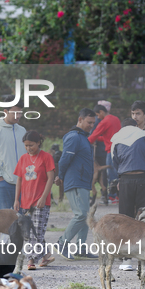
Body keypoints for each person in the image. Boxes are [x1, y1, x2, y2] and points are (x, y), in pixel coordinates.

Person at [111, 118, 145, 271]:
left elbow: (115, 161)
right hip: (143, 178)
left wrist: (124, 172)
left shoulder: (116, 138)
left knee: (125, 219)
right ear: (136, 126)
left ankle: (126, 261)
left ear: (122, 127)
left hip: (125, 180)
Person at [55, 108, 98, 260]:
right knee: (82, 215)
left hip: (84, 182)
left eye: (93, 123)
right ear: (80, 120)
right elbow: (65, 159)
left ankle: (81, 247)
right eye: (89, 122)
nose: (91, 125)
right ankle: (62, 242)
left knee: (87, 215)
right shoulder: (73, 137)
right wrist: (59, 176)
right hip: (75, 181)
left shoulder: (83, 138)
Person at [14, 130, 55, 270]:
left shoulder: (46, 157)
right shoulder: (23, 159)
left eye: (31, 145)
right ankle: (45, 256)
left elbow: (51, 178)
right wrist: (16, 200)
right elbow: (19, 179)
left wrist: (44, 197)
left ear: (38, 143)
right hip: (26, 202)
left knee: (36, 230)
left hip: (40, 202)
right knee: (32, 232)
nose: (28, 148)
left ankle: (30, 259)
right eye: (26, 145)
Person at [0, 104, 26, 210]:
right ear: (5, 111)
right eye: (15, 113)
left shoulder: (22, 131)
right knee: (3, 221)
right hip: (4, 182)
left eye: (20, 113)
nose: (18, 116)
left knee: (22, 220)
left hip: (23, 182)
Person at [88, 103, 121, 204]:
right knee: (118, 173)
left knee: (111, 175)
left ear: (101, 112)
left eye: (98, 115)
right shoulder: (116, 119)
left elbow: (93, 136)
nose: (98, 117)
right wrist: (97, 139)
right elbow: (109, 136)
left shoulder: (104, 122)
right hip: (120, 149)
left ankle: (113, 196)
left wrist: (83, 142)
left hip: (111, 151)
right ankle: (119, 196)